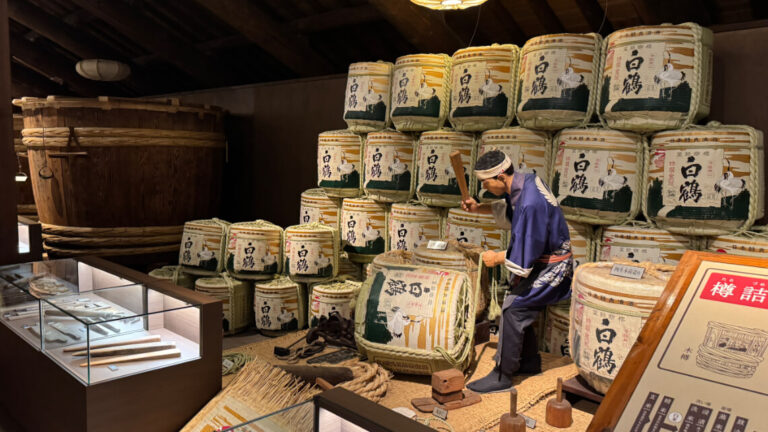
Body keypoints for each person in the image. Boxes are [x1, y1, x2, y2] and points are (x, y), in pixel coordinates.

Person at [464, 150, 573, 394]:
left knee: (514, 307)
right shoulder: (526, 183)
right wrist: (478, 208)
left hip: (553, 266)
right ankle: (529, 361)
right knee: (518, 300)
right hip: (544, 259)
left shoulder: (530, 203)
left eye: (485, 182)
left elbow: (527, 251)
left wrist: (497, 257)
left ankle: (503, 374)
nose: (484, 187)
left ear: (500, 176)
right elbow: (511, 210)